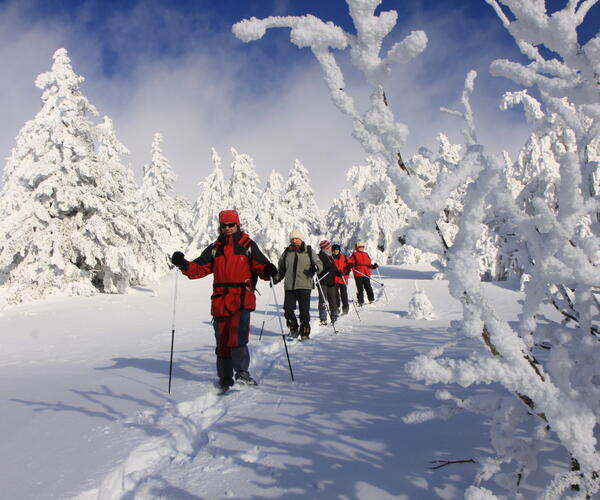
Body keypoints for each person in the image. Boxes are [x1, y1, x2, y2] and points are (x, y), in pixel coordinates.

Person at [171, 209, 278, 393]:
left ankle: (242, 373)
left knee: (237, 338)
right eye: (224, 226)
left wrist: (268, 270)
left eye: (231, 225)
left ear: (237, 225)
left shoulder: (247, 245)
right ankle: (225, 378)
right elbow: (198, 269)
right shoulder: (215, 248)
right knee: (221, 341)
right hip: (220, 300)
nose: (227, 228)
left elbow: (261, 266)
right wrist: (183, 264)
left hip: (241, 299)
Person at [274, 229, 322, 340]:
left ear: (301, 239)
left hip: (304, 285)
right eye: (292, 239)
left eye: (296, 238)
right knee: (287, 310)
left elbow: (319, 264)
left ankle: (305, 333)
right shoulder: (287, 252)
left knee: (304, 312)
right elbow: (281, 268)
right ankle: (294, 328)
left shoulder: (309, 251)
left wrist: (315, 268)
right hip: (290, 286)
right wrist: (276, 279)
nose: (294, 241)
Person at [348, 241, 378, 305]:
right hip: (358, 273)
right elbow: (349, 261)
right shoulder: (354, 255)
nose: (362, 248)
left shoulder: (366, 254)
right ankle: (360, 301)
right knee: (360, 287)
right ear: (357, 248)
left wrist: (373, 266)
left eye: (363, 247)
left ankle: (371, 299)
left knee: (368, 286)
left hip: (366, 273)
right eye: (360, 247)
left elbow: (369, 264)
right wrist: (350, 264)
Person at [316, 240, 339, 325]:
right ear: (325, 248)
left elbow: (334, 268)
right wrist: (326, 270)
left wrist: (337, 272)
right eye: (329, 247)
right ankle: (323, 318)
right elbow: (318, 269)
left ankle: (334, 315)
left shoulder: (330, 256)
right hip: (322, 281)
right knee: (323, 300)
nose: (331, 248)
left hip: (331, 281)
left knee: (332, 299)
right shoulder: (320, 256)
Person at [331, 244, 351, 315]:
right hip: (335, 279)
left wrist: (350, 266)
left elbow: (349, 263)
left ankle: (345, 308)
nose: (335, 251)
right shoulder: (330, 258)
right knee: (335, 294)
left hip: (343, 278)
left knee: (344, 294)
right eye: (334, 250)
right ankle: (337, 308)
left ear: (339, 250)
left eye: (337, 249)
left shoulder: (344, 257)